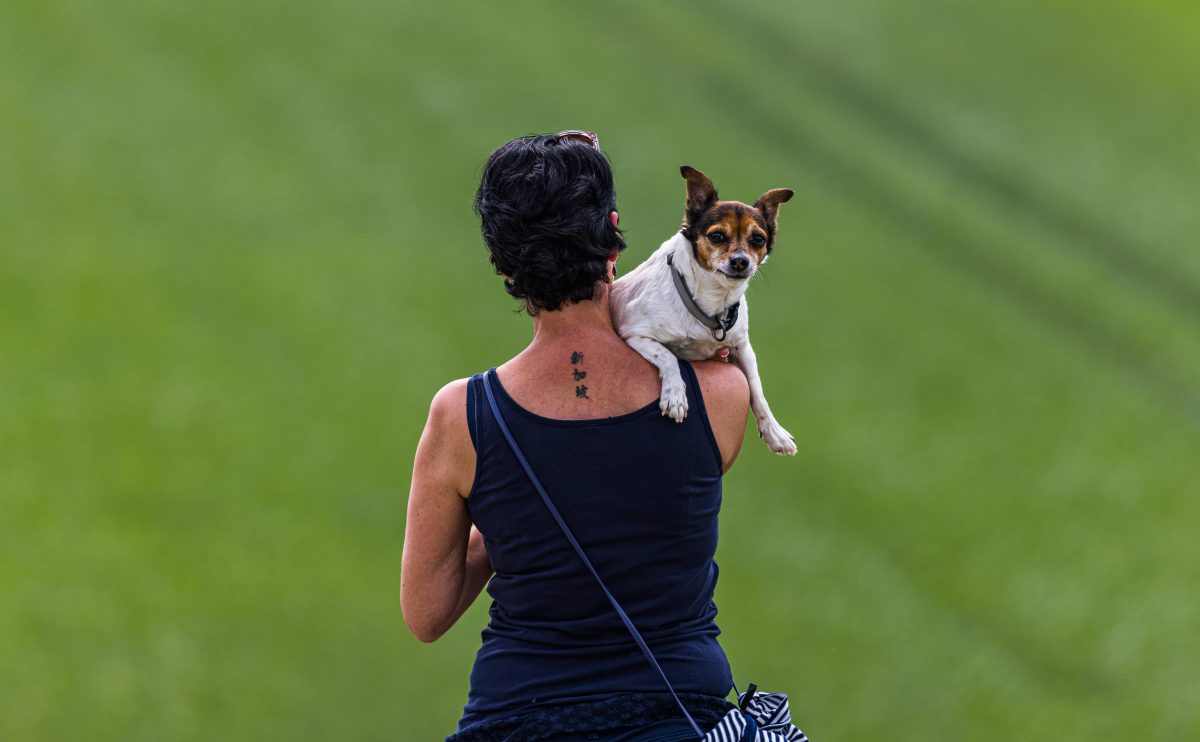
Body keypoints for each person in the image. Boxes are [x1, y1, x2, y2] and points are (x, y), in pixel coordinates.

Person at [401, 132, 752, 741]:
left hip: (518, 721)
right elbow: (634, 504)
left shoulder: (463, 416)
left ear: (504, 265)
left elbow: (427, 614)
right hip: (680, 716)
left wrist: (507, 522)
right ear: (614, 232)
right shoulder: (720, 396)